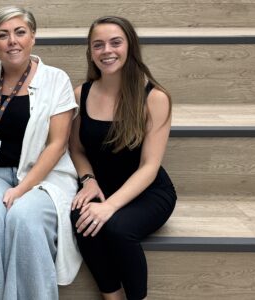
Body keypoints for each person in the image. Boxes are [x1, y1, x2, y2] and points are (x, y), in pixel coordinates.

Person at [0, 6, 82, 300]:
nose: (12, 40)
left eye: (20, 32)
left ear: (33, 37)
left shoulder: (56, 80)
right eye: (3, 35)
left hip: (44, 177)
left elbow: (57, 144)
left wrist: (22, 189)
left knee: (23, 217)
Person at [69, 16, 177, 300]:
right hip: (101, 186)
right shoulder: (82, 93)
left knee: (117, 228)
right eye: (98, 45)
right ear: (91, 52)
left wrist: (110, 207)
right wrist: (88, 180)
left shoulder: (154, 97)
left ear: (130, 46)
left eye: (115, 42)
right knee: (81, 218)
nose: (107, 50)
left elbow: (150, 166)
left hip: (147, 191)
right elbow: (77, 149)